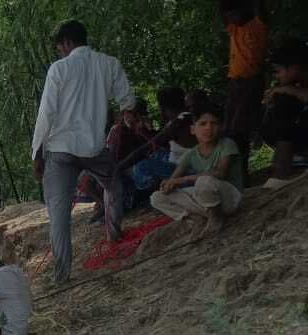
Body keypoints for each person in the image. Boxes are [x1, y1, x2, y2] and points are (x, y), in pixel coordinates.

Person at [31, 19, 135, 285]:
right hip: (92, 148)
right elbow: (127, 99)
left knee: (59, 214)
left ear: (66, 42)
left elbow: (46, 113)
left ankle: (61, 276)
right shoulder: (108, 63)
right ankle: (114, 235)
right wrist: (126, 112)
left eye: (60, 47)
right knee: (113, 183)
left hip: (60, 150)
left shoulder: (59, 69)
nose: (60, 52)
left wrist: (37, 153)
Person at [150, 104, 244, 233]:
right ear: (193, 129)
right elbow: (173, 179)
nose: (209, 128)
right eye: (203, 124)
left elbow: (220, 173)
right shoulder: (191, 154)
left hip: (230, 200)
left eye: (214, 123)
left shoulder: (227, 144)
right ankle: (194, 218)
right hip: (206, 202)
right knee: (157, 197)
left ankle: (216, 217)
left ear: (220, 127)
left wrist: (182, 180)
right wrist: (167, 184)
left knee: (204, 181)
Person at [83, 99, 155, 222]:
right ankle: (102, 204)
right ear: (124, 113)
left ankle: (106, 206)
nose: (136, 117)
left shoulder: (140, 128)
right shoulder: (117, 130)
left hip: (134, 168)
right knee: (87, 179)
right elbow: (113, 158)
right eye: (132, 113)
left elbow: (152, 147)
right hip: (121, 168)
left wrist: (145, 130)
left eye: (138, 113)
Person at [221, 0, 269, 183]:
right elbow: (223, 11)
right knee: (228, 130)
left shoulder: (258, 25)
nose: (231, 18)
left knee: (240, 130)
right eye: (229, 16)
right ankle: (231, 173)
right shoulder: (233, 29)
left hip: (251, 83)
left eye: (234, 14)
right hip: (234, 83)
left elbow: (259, 7)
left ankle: (242, 174)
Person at [261, 38, 308, 189]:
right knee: (281, 103)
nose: (277, 76)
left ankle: (282, 172)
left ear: (294, 67)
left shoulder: (295, 88)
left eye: (278, 71)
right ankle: (288, 163)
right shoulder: (298, 84)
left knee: (285, 101)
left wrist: (287, 90)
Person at [131, 87, 195, 193]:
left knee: (141, 166)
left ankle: (163, 188)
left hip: (188, 172)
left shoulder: (178, 123)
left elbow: (147, 147)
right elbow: (157, 143)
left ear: (163, 107)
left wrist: (118, 167)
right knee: (156, 154)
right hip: (183, 166)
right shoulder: (185, 117)